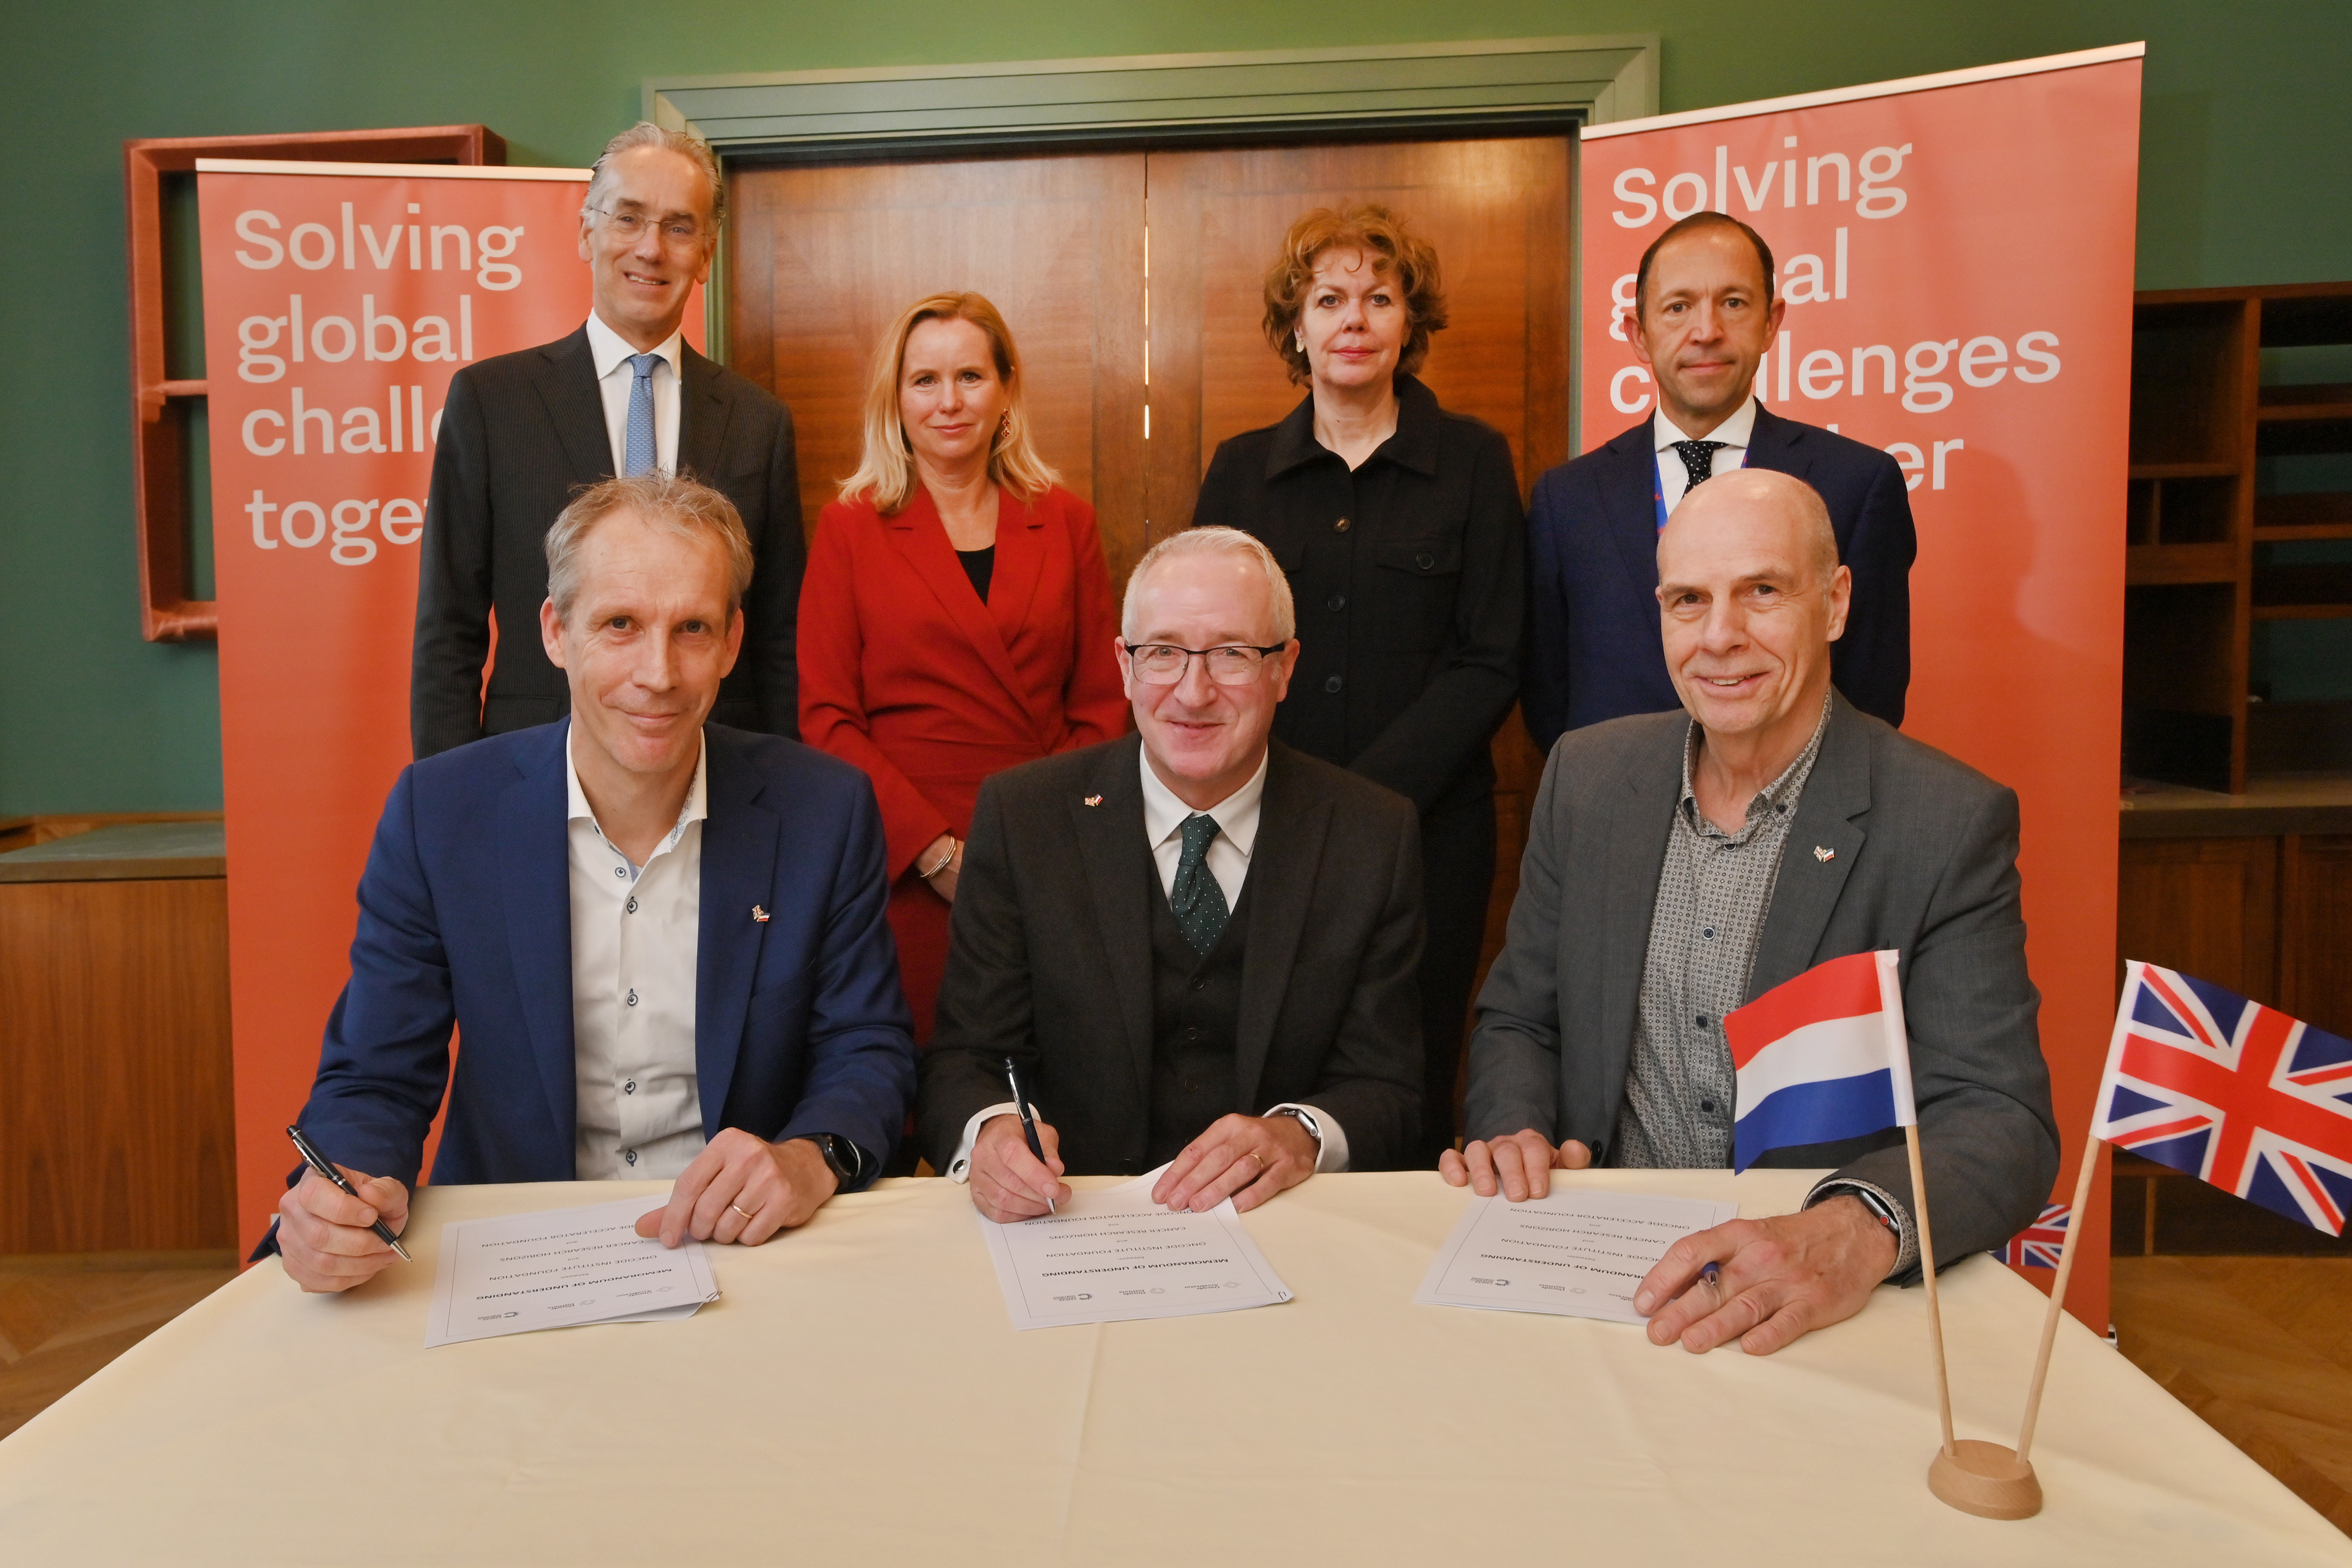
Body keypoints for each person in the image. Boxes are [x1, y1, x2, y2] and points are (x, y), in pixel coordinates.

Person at [1446, 469, 2055, 1355]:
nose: (1719, 636)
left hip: (1803, 1298)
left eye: (1760, 592)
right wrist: (1513, 1125)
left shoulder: (1942, 819)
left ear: (1834, 601)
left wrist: (1852, 1228)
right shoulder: (1585, 777)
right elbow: (1519, 1017)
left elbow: (1999, 1118)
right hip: (1591, 1269)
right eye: (1687, 600)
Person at [274, 474, 916, 1293]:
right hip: (515, 1256)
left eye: (692, 628)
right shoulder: (442, 814)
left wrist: (807, 1157)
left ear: (731, 642)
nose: (659, 672)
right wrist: (340, 1191)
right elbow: (375, 1074)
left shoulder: (823, 809)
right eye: (621, 624)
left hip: (747, 1254)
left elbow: (867, 1050)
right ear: (555, 630)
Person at [917, 528, 1424, 1221]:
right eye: (1162, 653)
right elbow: (965, 1060)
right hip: (1069, 1226)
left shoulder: (1372, 834)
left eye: (1232, 654)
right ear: (1124, 666)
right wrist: (989, 1132)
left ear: (1285, 667)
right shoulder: (1022, 816)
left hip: (1288, 1226)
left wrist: (1300, 1134)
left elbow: (1391, 1086)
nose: (1192, 691)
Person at [1190, 202, 1522, 1165]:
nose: (1353, 318)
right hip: (1260, 821)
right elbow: (1206, 644)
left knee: (1405, 1067)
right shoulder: (1240, 471)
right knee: (1260, 1050)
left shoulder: (1471, 459)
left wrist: (1368, 800)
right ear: (1294, 325)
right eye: (1328, 298)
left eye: (1379, 298)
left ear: (1408, 323)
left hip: (1426, 831)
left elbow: (1491, 654)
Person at [411, 122, 805, 759]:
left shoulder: (758, 421)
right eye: (628, 218)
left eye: (679, 228)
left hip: (720, 769)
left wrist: (785, 790)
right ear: (586, 233)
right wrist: (446, 797)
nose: (651, 248)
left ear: (705, 254)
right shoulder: (489, 402)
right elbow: (446, 632)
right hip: (532, 763)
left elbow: (777, 640)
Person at [798, 293, 1126, 1046]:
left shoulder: (1066, 518)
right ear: (897, 396)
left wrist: (1045, 838)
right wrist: (935, 851)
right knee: (911, 1075)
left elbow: (1104, 704)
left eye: (971, 376)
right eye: (925, 380)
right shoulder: (850, 525)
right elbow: (826, 715)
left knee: (1047, 1081)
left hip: (1048, 854)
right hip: (905, 861)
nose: (949, 401)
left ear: (1007, 388)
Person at [1522, 211, 1916, 751]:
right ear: (1638, 334)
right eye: (1678, 307)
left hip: (1792, 817)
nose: (1705, 332)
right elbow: (1548, 693)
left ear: (1770, 322)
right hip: (1618, 813)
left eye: (1732, 303)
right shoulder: (1565, 500)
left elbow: (1872, 689)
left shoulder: (1855, 483)